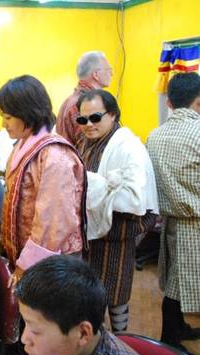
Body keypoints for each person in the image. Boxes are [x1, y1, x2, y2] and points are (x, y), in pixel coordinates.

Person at [0, 75, 87, 355]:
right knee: (33, 337)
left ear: (28, 113)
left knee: (53, 335)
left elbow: (53, 223)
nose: (5, 124)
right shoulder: (24, 146)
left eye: (9, 117)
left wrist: (25, 267)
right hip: (29, 264)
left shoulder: (55, 155)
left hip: (51, 266)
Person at [76, 89, 159, 333]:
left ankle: (121, 340)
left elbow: (134, 197)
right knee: (94, 293)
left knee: (115, 288)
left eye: (95, 118)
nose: (88, 125)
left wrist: (95, 185)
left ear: (112, 115)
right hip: (92, 230)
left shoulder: (128, 146)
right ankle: (99, 341)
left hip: (118, 229)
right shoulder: (86, 141)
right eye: (82, 120)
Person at [17, 256, 159, 355]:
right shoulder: (44, 354)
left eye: (35, 330)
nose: (24, 339)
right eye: (25, 324)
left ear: (83, 333)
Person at [145, 72, 200, 351]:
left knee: (176, 281)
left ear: (168, 102)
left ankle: (176, 331)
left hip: (169, 220)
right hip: (196, 222)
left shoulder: (154, 136)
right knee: (185, 283)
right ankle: (170, 341)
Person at [56, 51, 113, 148]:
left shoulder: (70, 100)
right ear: (96, 75)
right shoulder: (85, 105)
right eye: (108, 70)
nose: (111, 74)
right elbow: (89, 147)